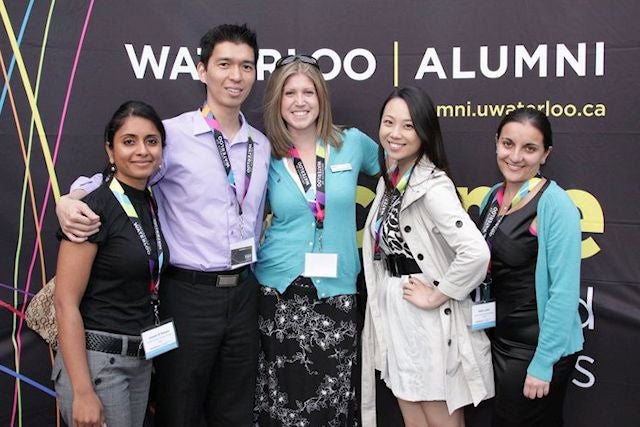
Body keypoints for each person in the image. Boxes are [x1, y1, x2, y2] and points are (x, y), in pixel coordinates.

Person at [55, 24, 271, 426]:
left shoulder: (261, 145)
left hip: (244, 294)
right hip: (187, 296)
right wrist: (69, 201)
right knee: (180, 409)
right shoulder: (170, 135)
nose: (235, 76)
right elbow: (117, 183)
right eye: (224, 64)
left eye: (246, 66)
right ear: (202, 69)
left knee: (235, 410)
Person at [253, 54, 380, 426]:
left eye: (308, 91)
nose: (300, 101)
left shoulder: (352, 143)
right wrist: (84, 193)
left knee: (331, 404)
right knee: (278, 403)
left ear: (321, 98)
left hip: (336, 296)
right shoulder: (263, 153)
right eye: (289, 93)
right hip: (277, 295)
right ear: (277, 101)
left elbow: (401, 166)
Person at [361, 86, 494, 427]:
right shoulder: (390, 181)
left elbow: (476, 252)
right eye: (388, 122)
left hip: (429, 322)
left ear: (424, 131)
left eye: (408, 126)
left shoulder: (432, 186)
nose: (395, 133)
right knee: (413, 417)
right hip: (396, 313)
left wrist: (438, 294)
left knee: (440, 419)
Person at [53, 100, 169, 427]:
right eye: (129, 141)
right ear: (110, 150)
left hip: (140, 361)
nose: (142, 150)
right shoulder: (90, 210)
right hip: (98, 365)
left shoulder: (149, 202)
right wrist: (83, 391)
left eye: (151, 141)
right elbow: (65, 304)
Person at [477, 108, 583, 426]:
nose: (516, 156)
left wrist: (543, 362)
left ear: (545, 154)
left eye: (530, 148)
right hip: (499, 340)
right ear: (497, 143)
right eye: (508, 144)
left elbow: (564, 291)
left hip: (535, 348)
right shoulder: (492, 199)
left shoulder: (556, 204)